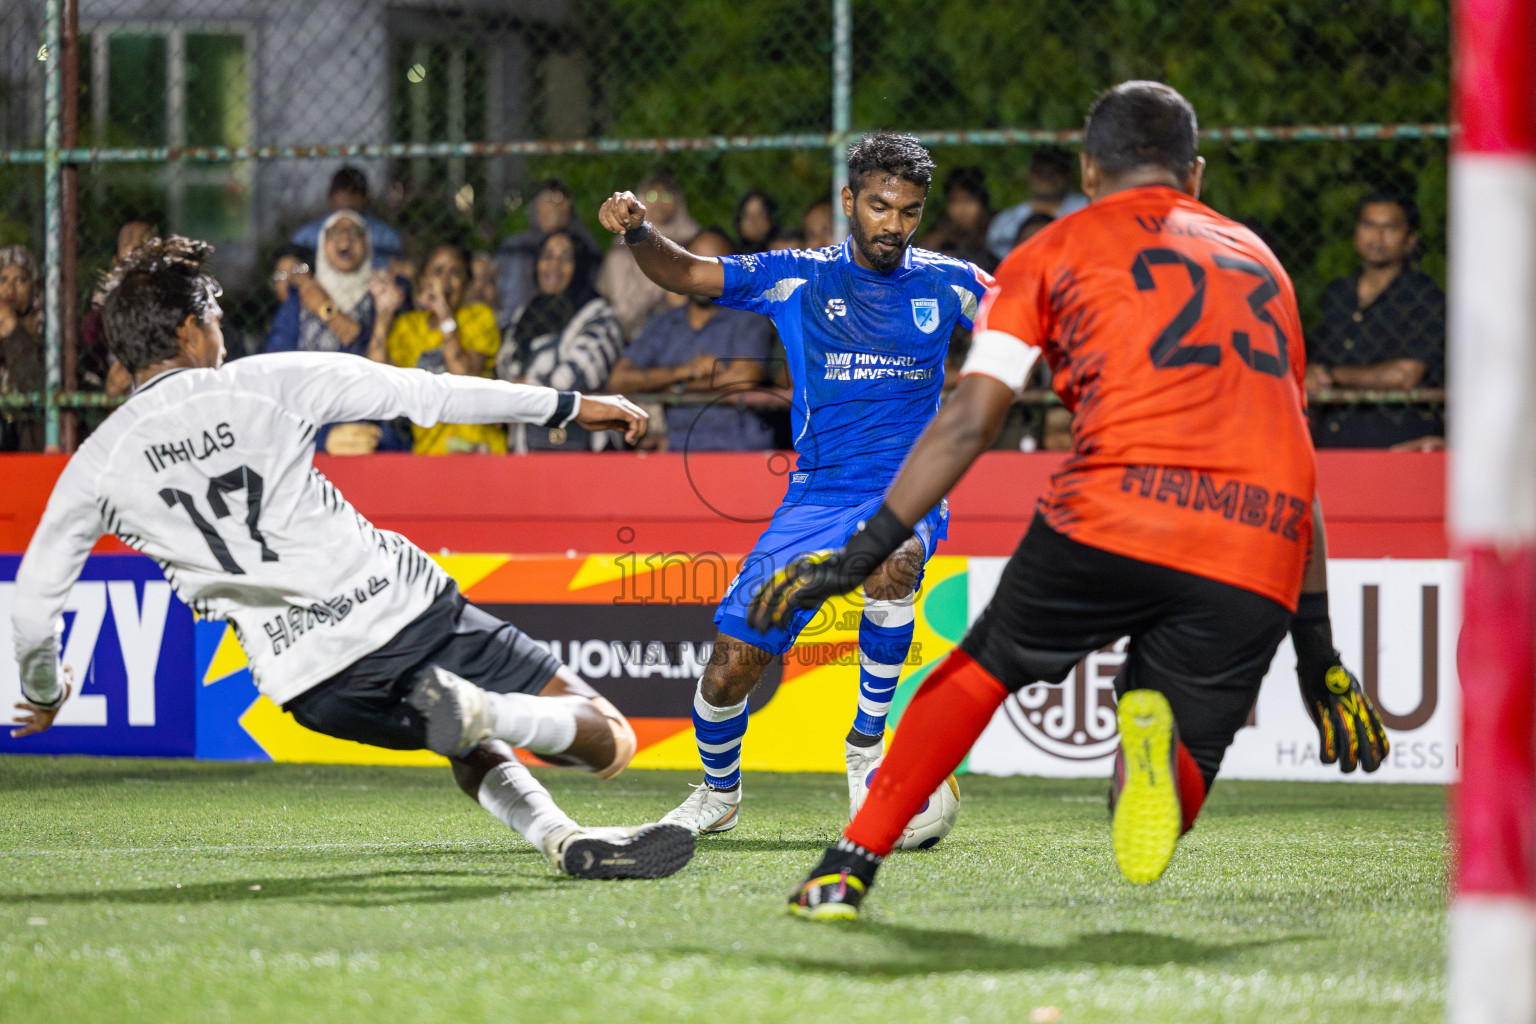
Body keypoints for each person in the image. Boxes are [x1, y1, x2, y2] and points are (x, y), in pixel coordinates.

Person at [754, 81, 1391, 920]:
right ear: (1194, 175)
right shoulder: (1263, 263)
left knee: (982, 670)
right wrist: (1320, 657)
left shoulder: (1052, 251)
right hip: (1256, 533)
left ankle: (848, 865)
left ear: (1089, 170)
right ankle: (1149, 750)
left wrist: (861, 553)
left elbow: (970, 420)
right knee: (1166, 792)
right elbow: (1296, 460)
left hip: (1117, 506)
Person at [7, 235, 691, 880]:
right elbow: (429, 395)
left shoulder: (98, 461)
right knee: (610, 737)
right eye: (213, 321)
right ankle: (496, 715)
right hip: (402, 610)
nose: (221, 337)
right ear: (189, 329)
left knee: (459, 735)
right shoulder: (265, 380)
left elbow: (34, 601)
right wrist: (571, 406)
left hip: (311, 686)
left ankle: (562, 837)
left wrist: (45, 693)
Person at [598, 132, 993, 834]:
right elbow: (688, 274)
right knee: (727, 673)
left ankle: (866, 749)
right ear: (849, 201)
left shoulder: (951, 281)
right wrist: (639, 232)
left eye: (908, 210)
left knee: (893, 558)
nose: (893, 225)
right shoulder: (798, 275)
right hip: (814, 499)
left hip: (902, 490)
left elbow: (1024, 321)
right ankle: (719, 796)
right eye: (879, 207)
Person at [606, 228, 778, 451]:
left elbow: (743, 377)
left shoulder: (749, 319)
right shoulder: (664, 324)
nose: (702, 273)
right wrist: (685, 372)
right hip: (674, 446)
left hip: (738, 447)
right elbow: (620, 379)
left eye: (715, 264)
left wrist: (670, 388)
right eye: (695, 262)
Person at [1307, 191, 1445, 449]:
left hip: (1395, 441)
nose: (1377, 236)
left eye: (1390, 227)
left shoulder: (1424, 296)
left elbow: (1406, 374)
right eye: (1369, 225)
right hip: (1331, 442)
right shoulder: (1338, 294)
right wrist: (1313, 374)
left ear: (1410, 239)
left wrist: (1334, 375)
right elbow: (1315, 364)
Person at [266, 211, 410, 455]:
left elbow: (388, 369)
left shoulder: (387, 295)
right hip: (308, 425)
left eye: (356, 233)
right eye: (335, 232)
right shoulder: (298, 302)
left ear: (368, 245)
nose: (345, 238)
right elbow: (273, 372)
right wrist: (321, 438)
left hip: (370, 426)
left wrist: (328, 311)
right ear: (323, 244)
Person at [496, 230, 624, 449]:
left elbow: (581, 374)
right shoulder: (524, 315)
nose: (553, 265)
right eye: (547, 256)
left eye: (565, 258)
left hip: (583, 447)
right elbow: (504, 365)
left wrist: (521, 389)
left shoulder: (599, 314)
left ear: (580, 266)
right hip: (525, 446)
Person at [380, 243, 504, 454]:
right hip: (429, 453)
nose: (445, 280)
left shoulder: (479, 317)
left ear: (465, 284)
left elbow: (463, 375)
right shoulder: (408, 326)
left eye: (455, 272)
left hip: (479, 451)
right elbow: (378, 378)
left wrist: (444, 314)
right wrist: (383, 315)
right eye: (437, 271)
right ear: (422, 280)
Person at [596, 170, 700, 339]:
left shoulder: (695, 241)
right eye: (651, 195)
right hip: (630, 333)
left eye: (666, 195)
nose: (659, 202)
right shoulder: (622, 249)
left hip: (683, 330)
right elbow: (621, 311)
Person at [494, 179, 602, 328]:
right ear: (535, 206)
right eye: (548, 198)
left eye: (560, 199)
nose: (554, 205)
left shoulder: (584, 249)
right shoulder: (515, 249)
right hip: (515, 324)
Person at [986, 146, 1089, 263]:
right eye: (1040, 171)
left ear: (1068, 176)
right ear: (1028, 175)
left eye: (1055, 172)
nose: (1046, 176)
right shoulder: (1006, 220)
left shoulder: (1087, 208)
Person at [290, 166, 404, 265]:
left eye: (354, 192)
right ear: (331, 196)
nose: (347, 199)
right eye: (342, 191)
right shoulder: (307, 236)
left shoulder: (385, 235)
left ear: (365, 197)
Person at [0, 244, 44, 451]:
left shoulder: (47, 326)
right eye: (3, 279)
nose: (10, 289)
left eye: (20, 280)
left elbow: (36, 385)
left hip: (30, 435)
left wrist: (12, 331)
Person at [920, 166, 997, 272]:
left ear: (981, 203)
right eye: (954, 201)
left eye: (968, 200)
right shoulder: (944, 229)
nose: (962, 209)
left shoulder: (996, 226)